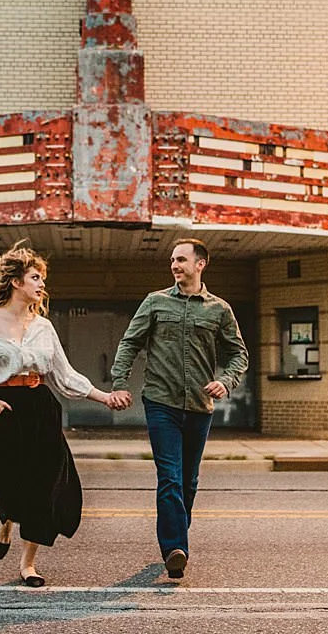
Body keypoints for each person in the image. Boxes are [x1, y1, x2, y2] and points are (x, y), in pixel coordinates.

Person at [0, 241, 121, 587]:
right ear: (16, 282)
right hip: (3, 409)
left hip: (40, 409)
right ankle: (5, 520)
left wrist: (103, 397)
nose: (41, 285)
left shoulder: (43, 327)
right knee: (8, 484)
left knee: (45, 488)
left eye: (41, 279)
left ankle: (28, 564)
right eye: (35, 277)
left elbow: (64, 373)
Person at [106, 237, 248, 580]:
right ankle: (174, 548)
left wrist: (225, 382)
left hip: (200, 406)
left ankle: (176, 541)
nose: (174, 265)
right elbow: (131, 342)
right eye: (172, 259)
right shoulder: (155, 302)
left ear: (200, 264)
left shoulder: (219, 310)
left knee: (189, 482)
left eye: (181, 259)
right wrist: (120, 381)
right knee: (169, 476)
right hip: (161, 402)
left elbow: (239, 354)